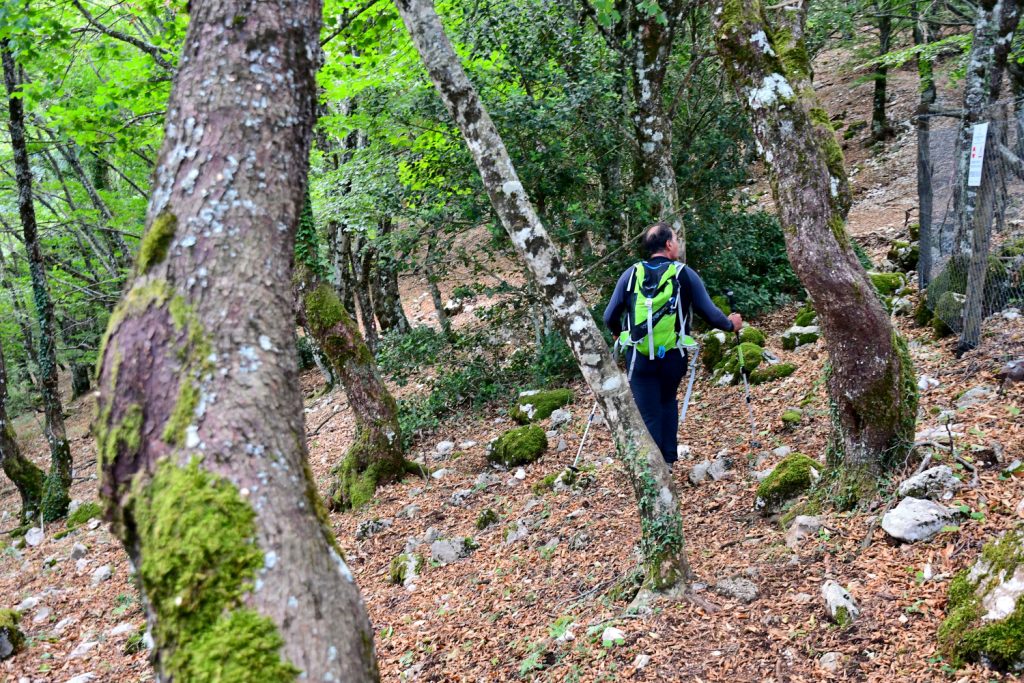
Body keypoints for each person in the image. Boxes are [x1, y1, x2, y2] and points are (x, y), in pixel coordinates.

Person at [603, 222, 742, 468]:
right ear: (668, 244)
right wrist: (731, 325)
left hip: (640, 356)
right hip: (673, 356)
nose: (677, 243)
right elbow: (710, 313)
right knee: (667, 401)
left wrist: (617, 333)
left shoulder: (631, 274)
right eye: (676, 239)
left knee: (648, 412)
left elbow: (609, 315)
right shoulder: (684, 274)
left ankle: (654, 470)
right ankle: (667, 461)